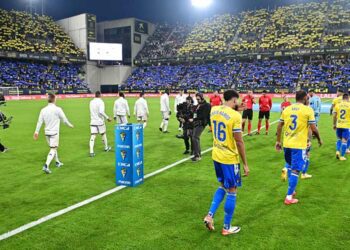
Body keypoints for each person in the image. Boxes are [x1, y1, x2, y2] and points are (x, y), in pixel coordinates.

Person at [203, 89, 249, 236]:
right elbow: (239, 141)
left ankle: (210, 215)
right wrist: (245, 164)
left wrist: (237, 109)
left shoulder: (214, 109)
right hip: (229, 158)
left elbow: (225, 112)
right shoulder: (236, 116)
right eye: (238, 100)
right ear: (234, 100)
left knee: (222, 186)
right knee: (232, 190)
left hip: (216, 155)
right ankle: (226, 227)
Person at [276, 90, 322, 205]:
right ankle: (289, 197)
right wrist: (319, 139)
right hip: (298, 145)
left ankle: (292, 190)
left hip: (287, 144)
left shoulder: (287, 109)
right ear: (305, 98)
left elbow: (279, 125)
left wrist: (278, 141)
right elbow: (314, 128)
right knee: (296, 170)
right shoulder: (307, 109)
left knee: (291, 167)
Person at [33, 93, 74, 174]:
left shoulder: (43, 110)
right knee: (53, 149)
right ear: (54, 99)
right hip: (54, 132)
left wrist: (36, 132)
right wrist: (70, 125)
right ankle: (46, 166)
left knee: (53, 147)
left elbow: (39, 122)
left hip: (47, 132)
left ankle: (57, 162)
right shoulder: (58, 109)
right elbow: (64, 120)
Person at [89, 91, 112, 157]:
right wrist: (107, 118)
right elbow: (101, 111)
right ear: (100, 95)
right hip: (99, 121)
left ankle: (91, 151)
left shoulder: (91, 102)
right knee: (103, 134)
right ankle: (106, 147)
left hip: (93, 121)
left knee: (93, 136)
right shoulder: (101, 102)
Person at [190, 93, 211, 162]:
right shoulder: (198, 105)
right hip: (197, 123)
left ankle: (197, 156)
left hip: (201, 123)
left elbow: (204, 116)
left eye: (198, 99)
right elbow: (195, 113)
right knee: (196, 137)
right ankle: (197, 154)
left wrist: (194, 119)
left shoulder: (207, 105)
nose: (197, 100)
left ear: (202, 98)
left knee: (195, 137)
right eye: (197, 99)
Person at [333, 93, 350, 161]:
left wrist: (334, 124)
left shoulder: (337, 105)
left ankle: (337, 151)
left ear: (342, 98)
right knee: (344, 141)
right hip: (346, 125)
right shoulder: (349, 105)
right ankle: (342, 156)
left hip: (339, 125)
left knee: (339, 139)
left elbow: (334, 116)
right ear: (348, 98)